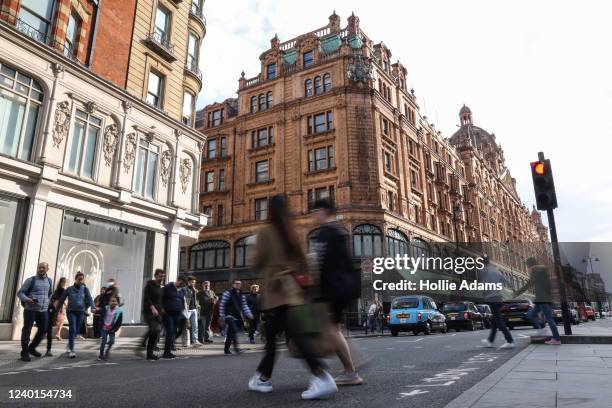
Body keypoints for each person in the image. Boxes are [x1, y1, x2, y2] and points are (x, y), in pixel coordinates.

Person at [248, 194, 337, 399]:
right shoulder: (292, 232)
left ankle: (322, 377)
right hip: (294, 293)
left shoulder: (265, 232)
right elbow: (304, 262)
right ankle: (262, 378)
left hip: (276, 292)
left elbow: (256, 261)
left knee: (290, 337)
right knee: (275, 338)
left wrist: (258, 250)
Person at [311, 198, 363, 386]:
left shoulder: (324, 233)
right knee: (336, 328)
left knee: (333, 330)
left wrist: (316, 288)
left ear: (324, 212)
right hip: (344, 286)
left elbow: (320, 262)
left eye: (315, 211)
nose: (313, 215)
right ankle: (353, 363)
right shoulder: (340, 230)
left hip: (333, 288)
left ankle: (351, 371)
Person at [515, 256, 562, 345]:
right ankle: (542, 331)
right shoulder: (542, 271)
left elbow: (529, 284)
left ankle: (556, 339)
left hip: (542, 298)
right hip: (541, 299)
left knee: (549, 318)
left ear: (530, 265)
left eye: (527, 266)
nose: (527, 268)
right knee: (531, 314)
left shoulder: (535, 271)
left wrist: (517, 293)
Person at [17, 262, 53, 362]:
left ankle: (32, 348)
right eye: (39, 267)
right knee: (27, 330)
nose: (41, 269)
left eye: (43, 268)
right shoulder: (31, 280)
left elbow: (50, 294)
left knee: (43, 329)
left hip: (43, 310)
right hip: (30, 310)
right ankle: (24, 352)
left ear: (47, 269)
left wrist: (46, 303)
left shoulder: (49, 281)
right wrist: (28, 299)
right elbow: (20, 293)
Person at [56, 272, 96, 358]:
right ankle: (72, 350)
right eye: (79, 279)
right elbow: (61, 299)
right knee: (73, 328)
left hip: (81, 312)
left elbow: (89, 298)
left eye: (82, 279)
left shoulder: (85, 289)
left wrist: (93, 307)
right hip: (71, 312)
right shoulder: (69, 289)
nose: (81, 281)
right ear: (76, 279)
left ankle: (69, 345)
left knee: (75, 331)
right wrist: (56, 311)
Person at [479, 255, 515, 349]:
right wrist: (513, 289)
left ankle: (509, 340)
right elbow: (506, 281)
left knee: (498, 320)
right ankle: (490, 340)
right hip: (498, 297)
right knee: (495, 320)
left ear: (483, 262)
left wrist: (484, 292)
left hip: (491, 297)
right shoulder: (496, 270)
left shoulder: (484, 271)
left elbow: (483, 284)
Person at [219, 279, 253, 355]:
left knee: (231, 332)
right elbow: (222, 304)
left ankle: (226, 349)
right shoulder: (228, 293)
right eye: (236, 283)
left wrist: (249, 314)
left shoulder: (242, 295)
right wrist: (222, 316)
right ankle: (236, 348)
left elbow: (244, 306)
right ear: (233, 285)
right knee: (233, 330)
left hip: (236, 316)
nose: (238, 285)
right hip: (228, 315)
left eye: (239, 284)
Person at [162, 276, 187, 359]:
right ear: (178, 280)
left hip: (177, 313)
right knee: (170, 331)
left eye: (183, 284)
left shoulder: (182, 290)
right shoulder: (168, 287)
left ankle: (170, 346)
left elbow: (182, 300)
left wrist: (182, 308)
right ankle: (166, 352)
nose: (182, 285)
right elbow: (160, 298)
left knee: (177, 330)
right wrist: (161, 308)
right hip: (168, 313)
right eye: (182, 283)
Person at [142, 269, 165, 360]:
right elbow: (147, 298)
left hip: (158, 313)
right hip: (149, 312)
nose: (162, 278)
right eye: (160, 276)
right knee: (155, 330)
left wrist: (162, 308)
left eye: (163, 276)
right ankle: (149, 352)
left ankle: (149, 352)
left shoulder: (160, 287)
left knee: (156, 332)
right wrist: (152, 307)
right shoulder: (149, 285)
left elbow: (160, 300)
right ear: (155, 276)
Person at [45, 276, 67, 357]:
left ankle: (52, 333)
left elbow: (53, 298)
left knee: (56, 320)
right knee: (60, 320)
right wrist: (65, 305)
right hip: (59, 305)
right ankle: (57, 333)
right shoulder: (63, 290)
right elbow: (62, 299)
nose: (64, 283)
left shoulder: (57, 289)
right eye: (64, 282)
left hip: (55, 305)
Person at [98, 296, 122, 361]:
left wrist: (115, 329)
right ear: (109, 302)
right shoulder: (105, 308)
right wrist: (100, 324)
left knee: (112, 341)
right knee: (103, 341)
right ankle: (101, 354)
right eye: (112, 301)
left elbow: (119, 322)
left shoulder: (119, 311)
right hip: (104, 327)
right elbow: (101, 316)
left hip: (112, 328)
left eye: (115, 301)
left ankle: (107, 352)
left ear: (117, 302)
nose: (113, 302)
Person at [182, 276, 201, 347]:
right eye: (192, 282)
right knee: (186, 326)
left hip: (194, 309)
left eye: (194, 282)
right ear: (188, 282)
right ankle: (185, 342)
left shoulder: (195, 290)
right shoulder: (184, 289)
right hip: (187, 310)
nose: (194, 284)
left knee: (195, 326)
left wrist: (197, 305)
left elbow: (196, 299)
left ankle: (195, 340)